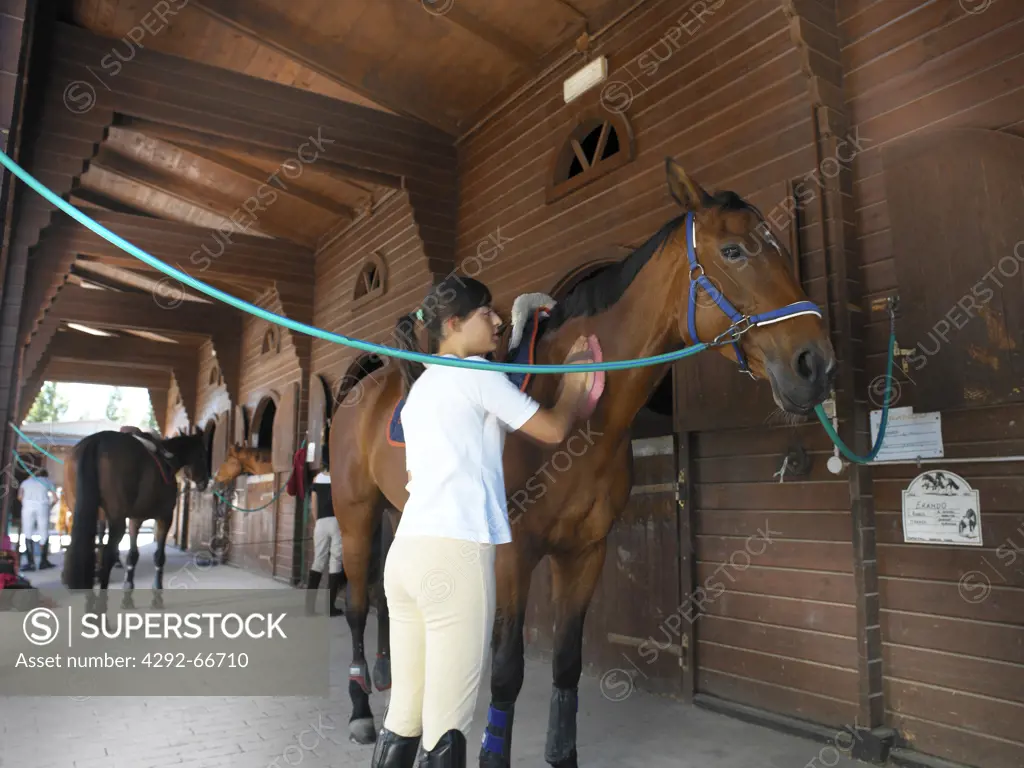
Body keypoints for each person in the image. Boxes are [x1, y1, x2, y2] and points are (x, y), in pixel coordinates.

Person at [370, 276, 595, 767]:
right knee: (446, 727)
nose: (497, 321)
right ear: (453, 325)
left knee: (403, 716)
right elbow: (553, 430)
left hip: (406, 556)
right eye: (485, 313)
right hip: (455, 556)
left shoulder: (421, 388)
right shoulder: (476, 373)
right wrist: (575, 387)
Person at [306, 468, 346, 617]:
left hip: (321, 522)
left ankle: (309, 608)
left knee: (318, 562)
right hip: (336, 522)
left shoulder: (317, 479)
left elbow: (314, 504)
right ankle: (330, 607)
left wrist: (317, 522)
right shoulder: (340, 477)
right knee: (335, 561)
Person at [18, 468, 56, 571]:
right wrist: (50, 506)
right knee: (43, 533)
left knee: (27, 532)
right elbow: (55, 498)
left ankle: (31, 563)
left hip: (28, 507)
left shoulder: (26, 482)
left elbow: (20, 497)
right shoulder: (47, 481)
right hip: (43, 507)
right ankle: (43, 561)